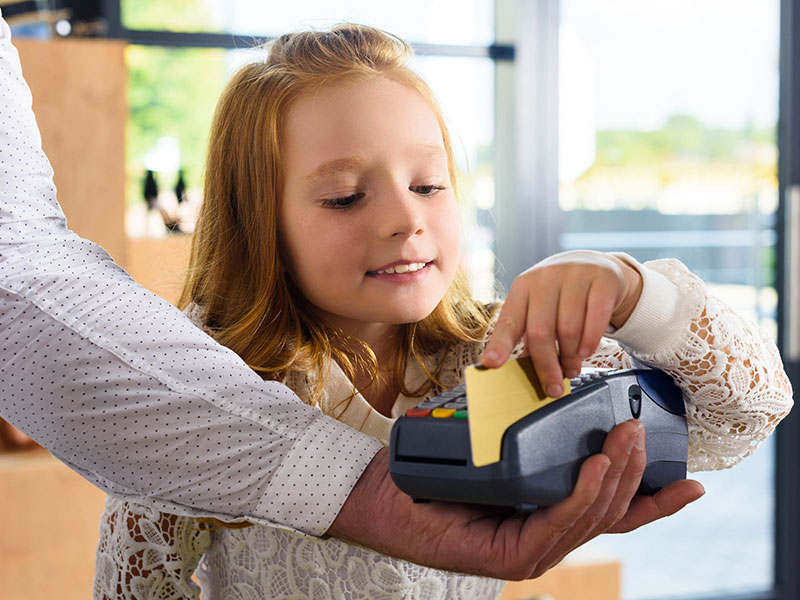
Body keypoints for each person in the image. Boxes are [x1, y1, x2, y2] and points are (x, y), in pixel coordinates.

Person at [0, 8, 711, 587]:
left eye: (429, 185)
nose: (406, 219)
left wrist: (628, 287)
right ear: (260, 227)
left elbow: (743, 412)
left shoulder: (498, 362)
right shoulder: (187, 400)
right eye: (345, 198)